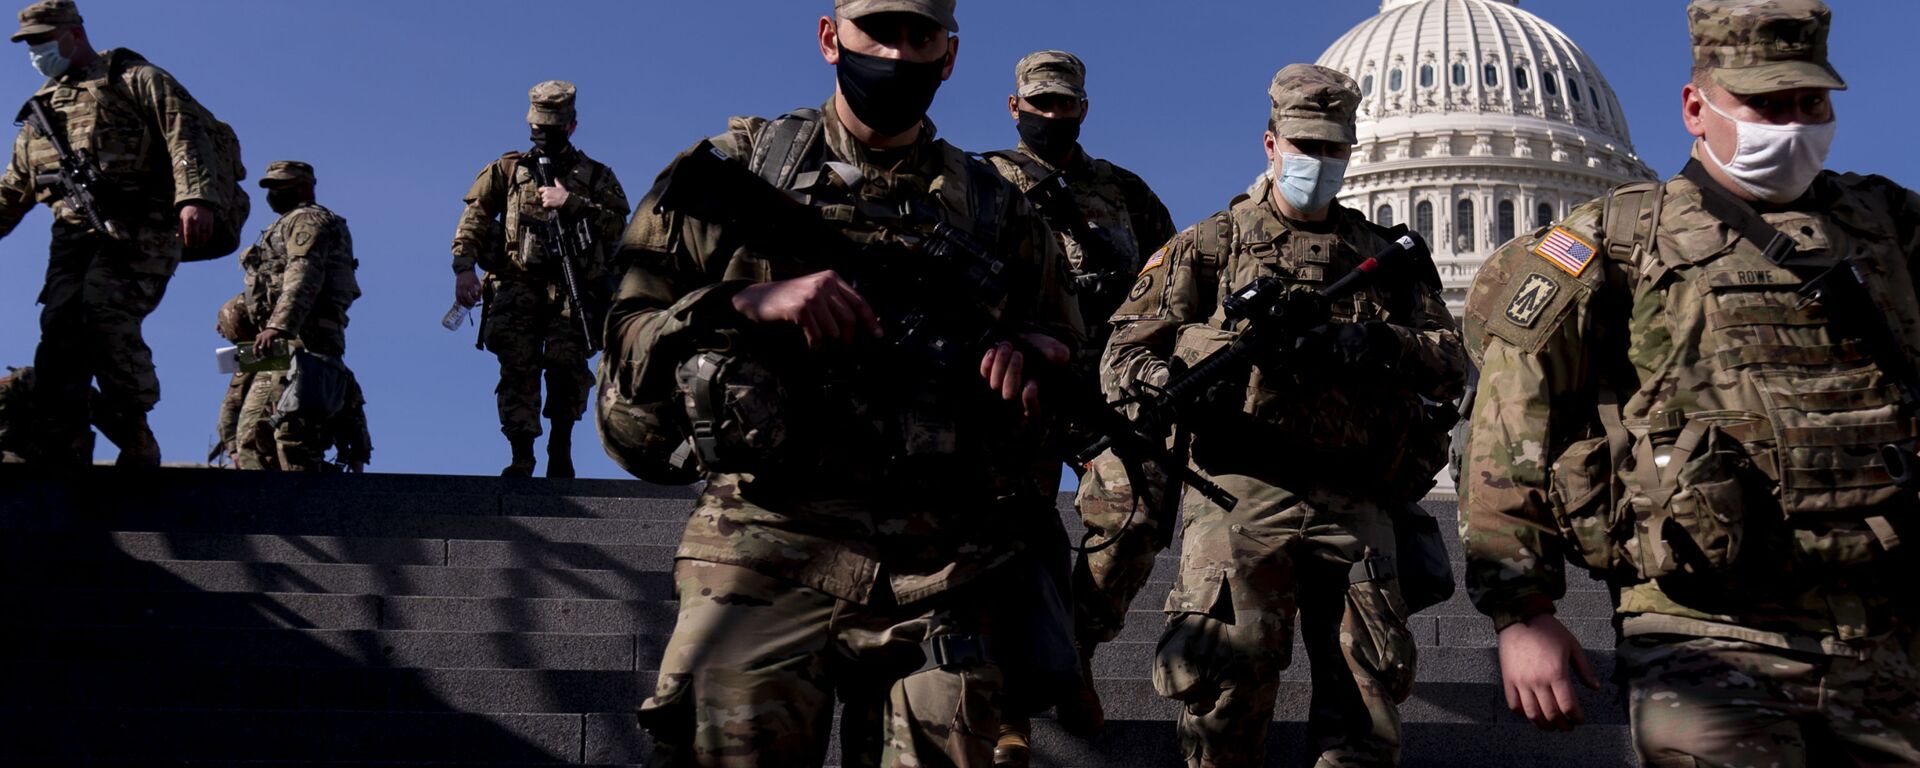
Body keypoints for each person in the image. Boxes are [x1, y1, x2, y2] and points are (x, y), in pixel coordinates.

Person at [599, 0, 1084, 764]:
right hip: (765, 538)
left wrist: (1032, 355)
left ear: (948, 55)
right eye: (877, 32)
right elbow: (626, 337)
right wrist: (741, 303)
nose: (896, 54)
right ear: (831, 39)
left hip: (943, 559)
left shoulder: (999, 209)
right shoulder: (738, 170)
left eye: (918, 36)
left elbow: (1066, 348)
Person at [1460, 1, 1920, 763]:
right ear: (1695, 108)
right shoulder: (1607, 241)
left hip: (1887, 623)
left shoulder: (1890, 229)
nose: (1794, 123)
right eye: (1766, 104)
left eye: (1811, 102)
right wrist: (1521, 610)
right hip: (1702, 626)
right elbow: (1512, 425)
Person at [1101, 64, 1465, 767]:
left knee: (1367, 707)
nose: (1320, 162)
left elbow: (1450, 360)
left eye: (1334, 149)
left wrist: (1372, 341)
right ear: (1270, 144)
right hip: (1241, 491)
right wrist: (1179, 381)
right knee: (1223, 697)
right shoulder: (1209, 245)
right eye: (1305, 146)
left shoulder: (1382, 257)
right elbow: (1121, 357)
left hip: (1355, 494)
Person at [981, 49, 1176, 766]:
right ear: (1014, 107)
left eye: (1063, 104)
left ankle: (1076, 652)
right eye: (1039, 103)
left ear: (1083, 108)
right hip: (1014, 384)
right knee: (1011, 539)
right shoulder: (978, 182)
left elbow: (1169, 287)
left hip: (1105, 388)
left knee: (1138, 510)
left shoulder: (1125, 194)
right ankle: (1008, 705)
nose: (1051, 115)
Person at [0, 0, 226, 466]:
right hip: (71, 240)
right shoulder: (40, 113)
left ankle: (135, 430)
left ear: (74, 33)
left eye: (44, 39)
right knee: (59, 333)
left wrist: (195, 198)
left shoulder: (134, 78)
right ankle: (66, 441)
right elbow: (12, 190)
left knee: (104, 315)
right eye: (30, 44)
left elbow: (183, 133)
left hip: (141, 225)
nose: (37, 50)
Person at [451, 80, 629, 478]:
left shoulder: (597, 176)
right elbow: (475, 218)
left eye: (551, 128)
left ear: (571, 126)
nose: (542, 135)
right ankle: (521, 453)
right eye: (537, 129)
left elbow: (620, 227)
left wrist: (573, 204)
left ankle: (560, 445)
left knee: (567, 369)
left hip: (574, 290)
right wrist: (464, 268)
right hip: (517, 282)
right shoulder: (509, 168)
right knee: (517, 368)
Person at [230, 161, 368, 472]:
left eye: (282, 186)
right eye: (270, 187)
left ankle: (306, 512)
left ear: (305, 187)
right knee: (253, 436)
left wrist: (279, 326)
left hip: (302, 343)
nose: (274, 193)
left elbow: (303, 275)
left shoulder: (307, 220)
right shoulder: (284, 225)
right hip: (281, 344)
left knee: (291, 437)